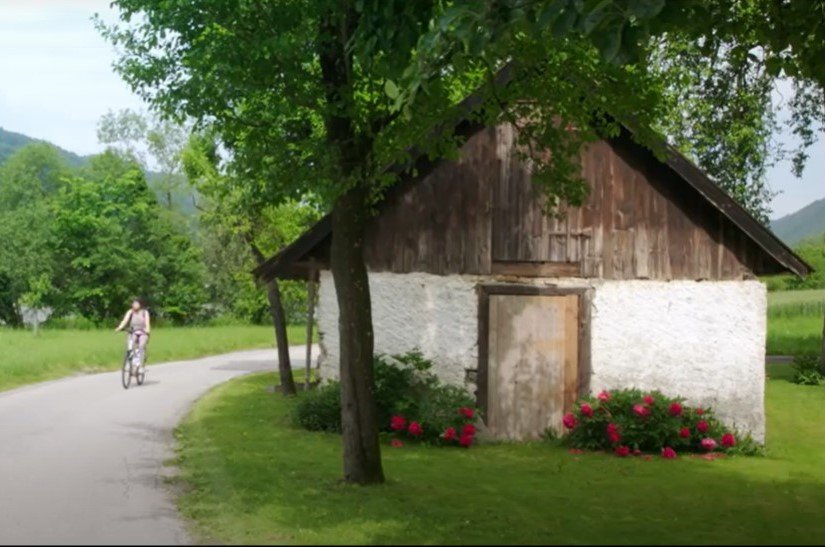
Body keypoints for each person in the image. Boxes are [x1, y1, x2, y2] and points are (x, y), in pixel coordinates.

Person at [115, 298, 151, 370]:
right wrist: (119, 328)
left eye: (136, 303)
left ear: (140, 304)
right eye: (133, 303)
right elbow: (125, 321)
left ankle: (141, 366)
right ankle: (131, 360)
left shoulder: (144, 312)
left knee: (141, 346)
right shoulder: (130, 312)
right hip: (133, 331)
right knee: (131, 345)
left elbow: (147, 323)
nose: (134, 305)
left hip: (143, 332)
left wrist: (147, 331)